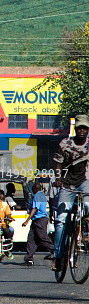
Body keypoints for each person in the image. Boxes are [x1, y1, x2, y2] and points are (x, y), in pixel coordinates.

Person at [52, 114, 89, 271]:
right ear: (75, 129)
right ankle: (58, 256)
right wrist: (59, 179)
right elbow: (58, 163)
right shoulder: (65, 143)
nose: (82, 131)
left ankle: (86, 232)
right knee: (61, 221)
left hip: (84, 182)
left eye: (85, 128)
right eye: (79, 128)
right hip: (67, 185)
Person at [22, 183, 54, 267]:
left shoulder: (37, 196)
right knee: (31, 239)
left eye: (32, 189)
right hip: (37, 220)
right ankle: (29, 259)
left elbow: (35, 208)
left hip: (39, 220)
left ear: (35, 189)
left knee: (42, 238)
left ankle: (56, 250)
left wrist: (27, 220)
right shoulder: (42, 196)